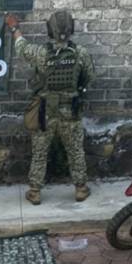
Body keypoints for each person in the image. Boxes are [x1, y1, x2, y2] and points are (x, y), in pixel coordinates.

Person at [6, 11, 95, 205]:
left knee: (40, 152)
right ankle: (81, 188)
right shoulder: (80, 53)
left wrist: (14, 28)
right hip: (70, 111)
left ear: (49, 29)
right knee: (75, 151)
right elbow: (90, 77)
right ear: (71, 29)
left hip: (45, 112)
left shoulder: (41, 53)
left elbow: (21, 47)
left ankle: (35, 191)